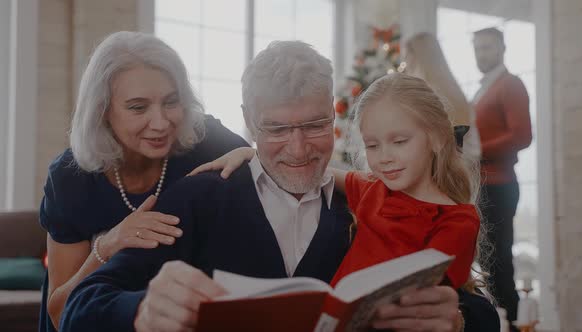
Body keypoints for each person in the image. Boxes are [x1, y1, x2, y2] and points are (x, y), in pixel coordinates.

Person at [60, 41, 499, 332]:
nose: (298, 149)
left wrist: (457, 317)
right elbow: (81, 305)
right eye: (275, 130)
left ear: (334, 116)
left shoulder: (379, 199)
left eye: (314, 125)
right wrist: (140, 310)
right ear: (248, 123)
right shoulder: (200, 196)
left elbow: (480, 309)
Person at [38, 31, 248, 332]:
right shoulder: (70, 177)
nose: (161, 123)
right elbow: (60, 315)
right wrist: (108, 244)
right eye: (138, 107)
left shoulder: (206, 140)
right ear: (103, 110)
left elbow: (281, 162)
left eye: (171, 102)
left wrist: (250, 154)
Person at [196, 73, 482, 292]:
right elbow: (313, 169)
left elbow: (431, 305)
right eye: (372, 145)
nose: (384, 158)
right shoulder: (372, 190)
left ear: (437, 137)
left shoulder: (458, 222)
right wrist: (254, 154)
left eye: (399, 141)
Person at [472, 27, 532, 329]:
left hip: (499, 185)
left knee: (498, 267)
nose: (481, 53)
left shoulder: (510, 84)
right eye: (477, 48)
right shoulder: (484, 88)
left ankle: (513, 325)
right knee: (489, 266)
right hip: (484, 186)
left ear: (502, 48)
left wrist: (476, 150)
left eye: (487, 47)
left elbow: (522, 136)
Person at [404, 32, 481, 163]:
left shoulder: (429, 94)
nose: (405, 61)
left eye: (407, 56)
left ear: (415, 57)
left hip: (446, 171)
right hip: (464, 168)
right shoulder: (453, 91)